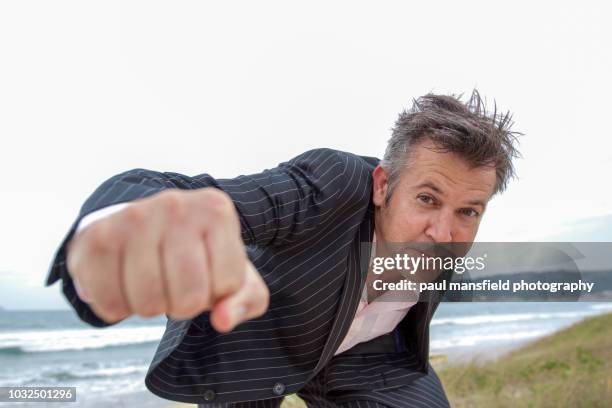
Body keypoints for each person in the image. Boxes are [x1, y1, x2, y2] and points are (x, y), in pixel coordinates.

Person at [45, 89, 521, 407]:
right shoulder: (329, 186)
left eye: (468, 211)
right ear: (383, 186)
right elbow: (180, 191)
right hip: (256, 339)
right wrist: (114, 228)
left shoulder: (449, 240)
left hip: (366, 360)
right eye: (427, 198)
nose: (444, 231)